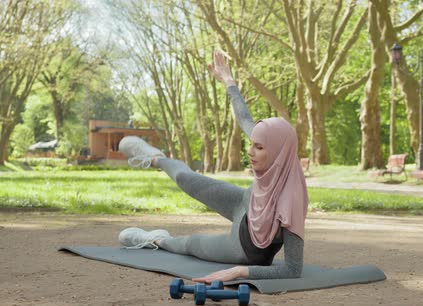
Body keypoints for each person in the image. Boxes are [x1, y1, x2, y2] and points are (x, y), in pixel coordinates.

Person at [117, 50, 308, 283]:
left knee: (189, 244)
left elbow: (293, 269)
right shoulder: (275, 149)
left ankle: (156, 240)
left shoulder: (290, 201)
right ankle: (156, 159)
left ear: (278, 152)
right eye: (253, 144)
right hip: (244, 204)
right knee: (188, 180)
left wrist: (238, 271)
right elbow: (245, 120)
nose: (250, 151)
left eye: (258, 147)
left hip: (243, 249)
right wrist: (229, 81)